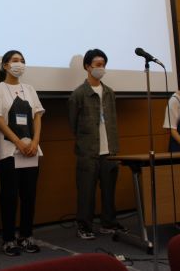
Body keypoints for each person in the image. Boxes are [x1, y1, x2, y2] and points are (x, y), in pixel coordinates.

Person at [0, 50, 44, 256]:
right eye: (15, 60)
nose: (20, 64)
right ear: (5, 65)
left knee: (29, 195)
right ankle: (9, 239)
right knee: (9, 196)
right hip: (9, 151)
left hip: (32, 150)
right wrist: (18, 142)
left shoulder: (29, 89)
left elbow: (37, 116)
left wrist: (35, 142)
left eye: (22, 61)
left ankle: (26, 236)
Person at [68, 49, 127, 240]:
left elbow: (113, 120)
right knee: (86, 192)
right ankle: (84, 226)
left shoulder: (109, 92)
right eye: (97, 65)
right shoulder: (79, 94)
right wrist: (86, 141)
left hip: (110, 150)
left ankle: (108, 223)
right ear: (87, 66)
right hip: (88, 151)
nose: (101, 68)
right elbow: (73, 124)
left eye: (103, 64)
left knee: (109, 190)